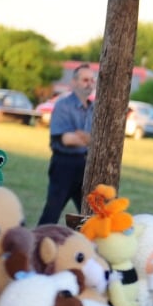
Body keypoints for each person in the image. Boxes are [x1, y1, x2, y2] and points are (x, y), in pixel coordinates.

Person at [38, 64, 95, 226]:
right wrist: (91, 139)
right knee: (52, 211)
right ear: (74, 82)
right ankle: (38, 244)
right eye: (85, 80)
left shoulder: (94, 108)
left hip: (86, 165)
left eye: (92, 80)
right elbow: (66, 139)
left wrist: (82, 136)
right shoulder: (63, 105)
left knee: (90, 214)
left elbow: (97, 141)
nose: (90, 83)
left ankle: (87, 247)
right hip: (64, 165)